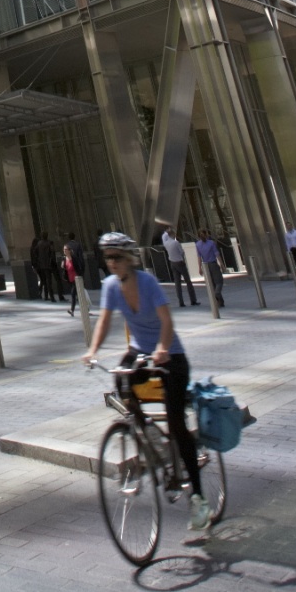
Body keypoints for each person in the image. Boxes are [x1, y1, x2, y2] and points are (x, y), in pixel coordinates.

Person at [84, 231, 212, 536]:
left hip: (171, 356)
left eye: (116, 257)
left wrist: (163, 349)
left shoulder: (148, 283)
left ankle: (198, 498)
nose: (112, 263)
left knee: (178, 425)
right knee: (120, 379)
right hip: (140, 351)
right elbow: (103, 320)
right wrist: (92, 350)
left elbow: (166, 321)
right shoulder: (111, 287)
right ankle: (147, 433)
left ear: (129, 258)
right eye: (108, 258)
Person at [161, 226, 196, 308]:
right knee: (188, 281)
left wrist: (166, 232)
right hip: (179, 262)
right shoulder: (175, 243)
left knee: (177, 283)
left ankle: (181, 301)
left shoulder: (166, 243)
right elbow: (181, 252)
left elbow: (164, 237)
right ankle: (193, 300)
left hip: (172, 262)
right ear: (172, 234)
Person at [194, 227, 225, 308]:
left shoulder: (197, 244)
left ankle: (220, 301)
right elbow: (216, 253)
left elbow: (199, 257)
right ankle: (217, 293)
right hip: (213, 264)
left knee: (212, 283)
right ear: (207, 234)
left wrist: (200, 268)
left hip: (206, 265)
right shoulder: (211, 243)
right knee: (219, 281)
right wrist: (221, 264)